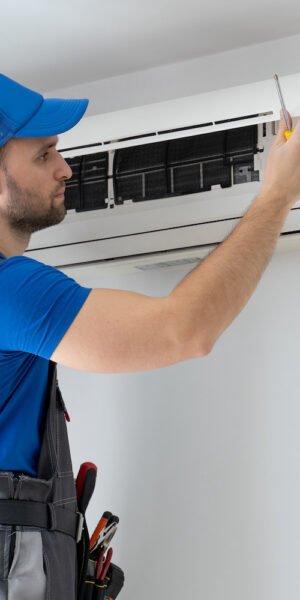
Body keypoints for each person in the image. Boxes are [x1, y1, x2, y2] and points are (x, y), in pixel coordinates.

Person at [0, 72, 299, 598]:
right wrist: (278, 192)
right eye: (44, 154)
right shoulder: (11, 291)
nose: (65, 168)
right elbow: (185, 331)